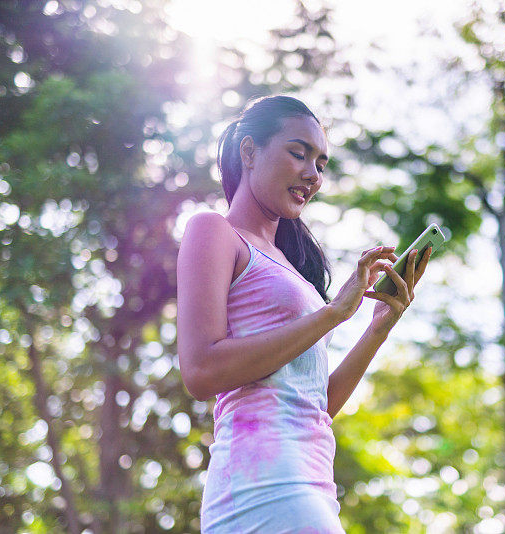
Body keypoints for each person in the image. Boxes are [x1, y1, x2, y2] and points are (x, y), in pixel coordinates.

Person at [176, 94, 432, 533]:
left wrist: (375, 330)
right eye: (299, 153)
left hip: (311, 486)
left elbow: (315, 405)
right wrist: (332, 314)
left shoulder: (292, 268)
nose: (312, 174)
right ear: (250, 152)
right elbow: (200, 371)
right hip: (264, 487)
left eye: (321, 164)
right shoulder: (215, 231)